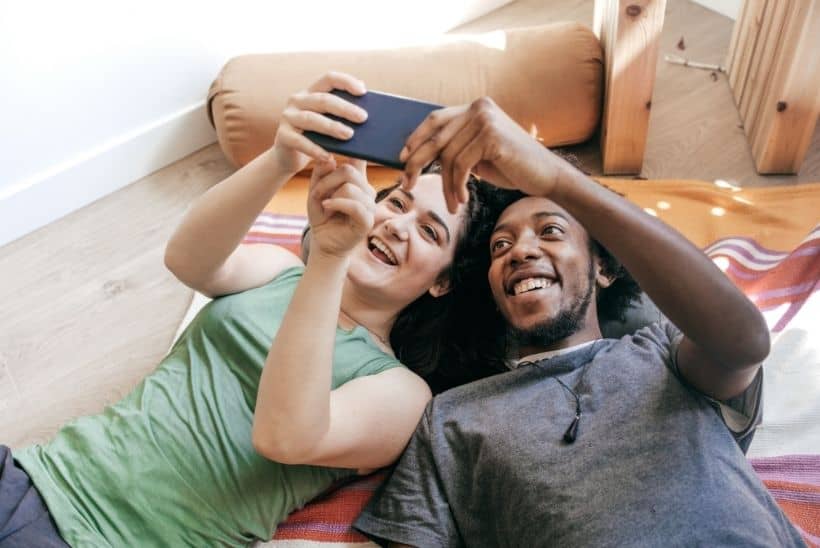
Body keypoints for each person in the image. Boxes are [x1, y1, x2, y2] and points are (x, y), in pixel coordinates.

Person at [0, 72, 496, 547]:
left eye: (430, 231)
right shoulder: (278, 271)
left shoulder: (402, 393)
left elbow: (285, 436)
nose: (397, 225)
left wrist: (329, 255)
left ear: (443, 283)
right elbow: (187, 259)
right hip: (35, 475)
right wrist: (283, 156)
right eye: (397, 203)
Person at [353, 98, 807, 547]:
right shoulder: (450, 418)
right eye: (500, 245)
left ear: (604, 268)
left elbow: (745, 342)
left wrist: (556, 178)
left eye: (550, 231)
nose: (521, 251)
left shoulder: (662, 351)